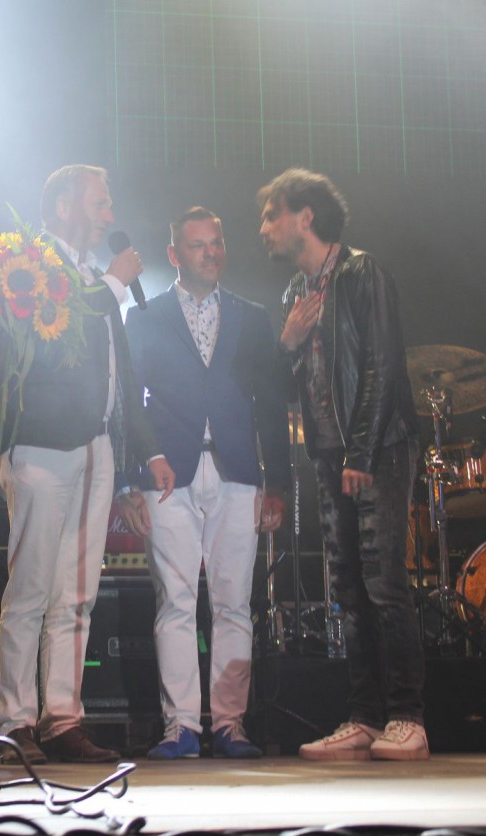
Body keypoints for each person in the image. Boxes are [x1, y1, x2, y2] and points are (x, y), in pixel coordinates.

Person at [0, 164, 175, 764]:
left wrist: (144, 450)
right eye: (100, 204)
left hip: (97, 448)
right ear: (64, 207)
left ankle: (62, 719)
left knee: (77, 594)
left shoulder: (96, 279)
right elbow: (50, 338)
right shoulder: (30, 263)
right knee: (30, 589)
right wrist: (116, 284)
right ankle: (14, 722)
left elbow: (122, 374)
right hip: (41, 446)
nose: (109, 215)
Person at [258, 168, 428, 760]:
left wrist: (362, 452)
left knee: (383, 584)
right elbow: (281, 391)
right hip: (330, 455)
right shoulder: (294, 294)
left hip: (378, 449)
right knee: (348, 591)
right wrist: (285, 341)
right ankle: (365, 716)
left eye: (272, 215)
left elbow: (382, 365)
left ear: (305, 216)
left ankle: (407, 716)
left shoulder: (361, 273)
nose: (265, 229)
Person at [118, 206, 290, 759]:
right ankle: (182, 727)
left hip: (238, 471)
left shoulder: (251, 316)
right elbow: (128, 400)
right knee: (175, 601)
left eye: (217, 243)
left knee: (235, 602)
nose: (211, 252)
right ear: (174, 254)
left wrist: (277, 481)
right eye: (198, 245)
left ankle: (230, 724)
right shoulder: (144, 315)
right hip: (168, 473)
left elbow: (271, 405)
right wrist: (132, 475)